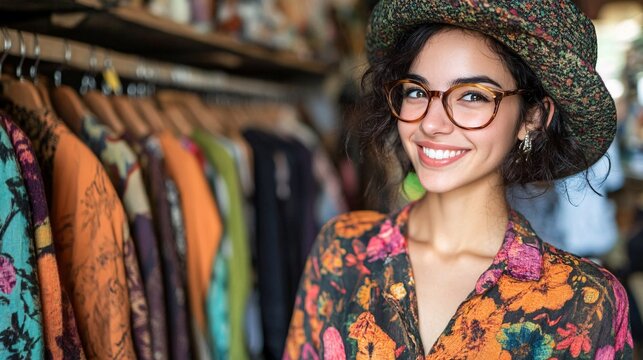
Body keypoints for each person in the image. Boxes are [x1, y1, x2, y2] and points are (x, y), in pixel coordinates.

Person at [283, 1, 634, 359]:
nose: (431, 123)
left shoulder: (586, 303)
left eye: (472, 96)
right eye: (417, 91)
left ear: (533, 117)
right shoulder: (342, 251)